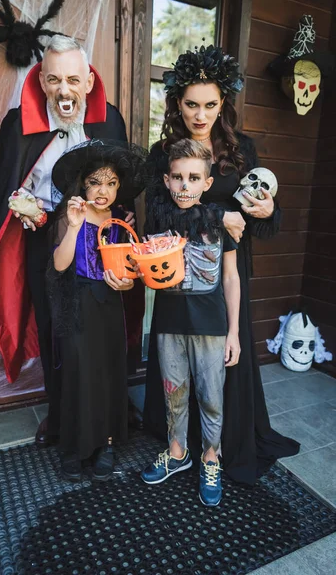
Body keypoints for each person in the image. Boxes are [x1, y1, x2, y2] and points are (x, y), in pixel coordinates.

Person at [143, 43, 300, 486]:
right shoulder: (165, 153)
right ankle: (178, 443)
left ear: (223, 103)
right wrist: (217, 215)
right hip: (176, 275)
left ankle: (217, 447)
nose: (200, 114)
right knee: (175, 361)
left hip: (227, 270)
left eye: (210, 104)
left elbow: (262, 213)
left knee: (222, 362)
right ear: (178, 103)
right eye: (191, 104)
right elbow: (158, 214)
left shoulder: (241, 148)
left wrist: (269, 212)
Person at [0, 35, 132, 447]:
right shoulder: (18, 125)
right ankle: (61, 412)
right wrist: (26, 207)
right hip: (44, 239)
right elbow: (10, 188)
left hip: (96, 240)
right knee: (54, 326)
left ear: (88, 81)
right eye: (53, 80)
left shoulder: (110, 120)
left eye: (72, 79)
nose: (63, 91)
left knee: (99, 327)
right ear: (40, 80)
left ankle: (105, 412)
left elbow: (122, 187)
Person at [140, 139, 240, 506]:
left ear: (206, 183)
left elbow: (231, 278)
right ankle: (177, 451)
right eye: (178, 177)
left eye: (193, 178)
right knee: (174, 394)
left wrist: (234, 333)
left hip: (211, 327)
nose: (185, 186)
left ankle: (211, 457)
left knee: (211, 397)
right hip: (169, 324)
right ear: (166, 180)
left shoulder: (220, 222)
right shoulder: (159, 219)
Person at [46, 139, 146, 480]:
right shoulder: (70, 213)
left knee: (107, 372)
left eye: (111, 183)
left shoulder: (121, 218)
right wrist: (74, 227)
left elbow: (131, 268)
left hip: (110, 304)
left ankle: (105, 443)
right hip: (78, 304)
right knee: (79, 373)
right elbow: (60, 265)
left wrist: (129, 282)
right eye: (95, 182)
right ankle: (74, 448)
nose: (103, 191)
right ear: (83, 183)